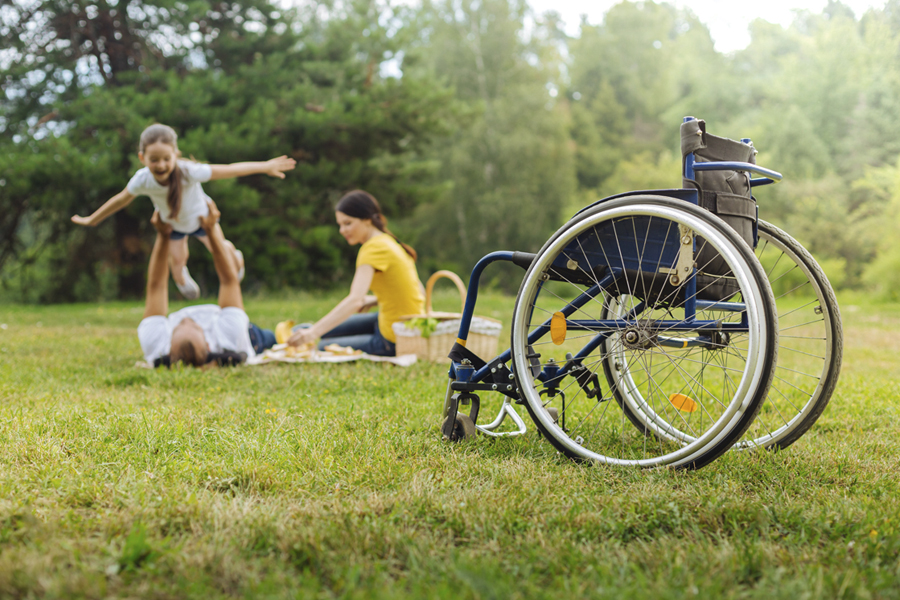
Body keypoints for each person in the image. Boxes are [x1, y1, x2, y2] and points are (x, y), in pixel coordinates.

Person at [71, 123, 296, 299]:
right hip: (175, 226)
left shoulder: (189, 172)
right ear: (142, 159)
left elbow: (229, 170)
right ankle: (183, 281)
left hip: (203, 221)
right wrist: (92, 219)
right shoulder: (142, 180)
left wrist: (265, 166)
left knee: (226, 260)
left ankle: (236, 255)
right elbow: (120, 200)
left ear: (176, 155)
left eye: (166, 159)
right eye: (154, 160)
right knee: (177, 265)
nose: (160, 165)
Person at [287, 190, 425, 356]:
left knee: (323, 345)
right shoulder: (389, 241)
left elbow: (355, 300)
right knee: (300, 330)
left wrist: (313, 333)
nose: (342, 230)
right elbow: (419, 291)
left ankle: (309, 333)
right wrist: (376, 299)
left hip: (393, 339)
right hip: (402, 326)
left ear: (367, 220)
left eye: (348, 223)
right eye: (340, 224)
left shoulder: (373, 248)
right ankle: (307, 331)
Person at [138, 199, 273, 367]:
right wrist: (211, 230)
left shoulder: (155, 343)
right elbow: (228, 281)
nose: (187, 319)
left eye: (178, 327)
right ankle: (236, 260)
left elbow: (156, 286)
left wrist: (163, 235)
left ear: (168, 348)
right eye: (196, 327)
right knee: (279, 338)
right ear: (209, 346)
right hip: (251, 337)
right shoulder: (230, 336)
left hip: (218, 326)